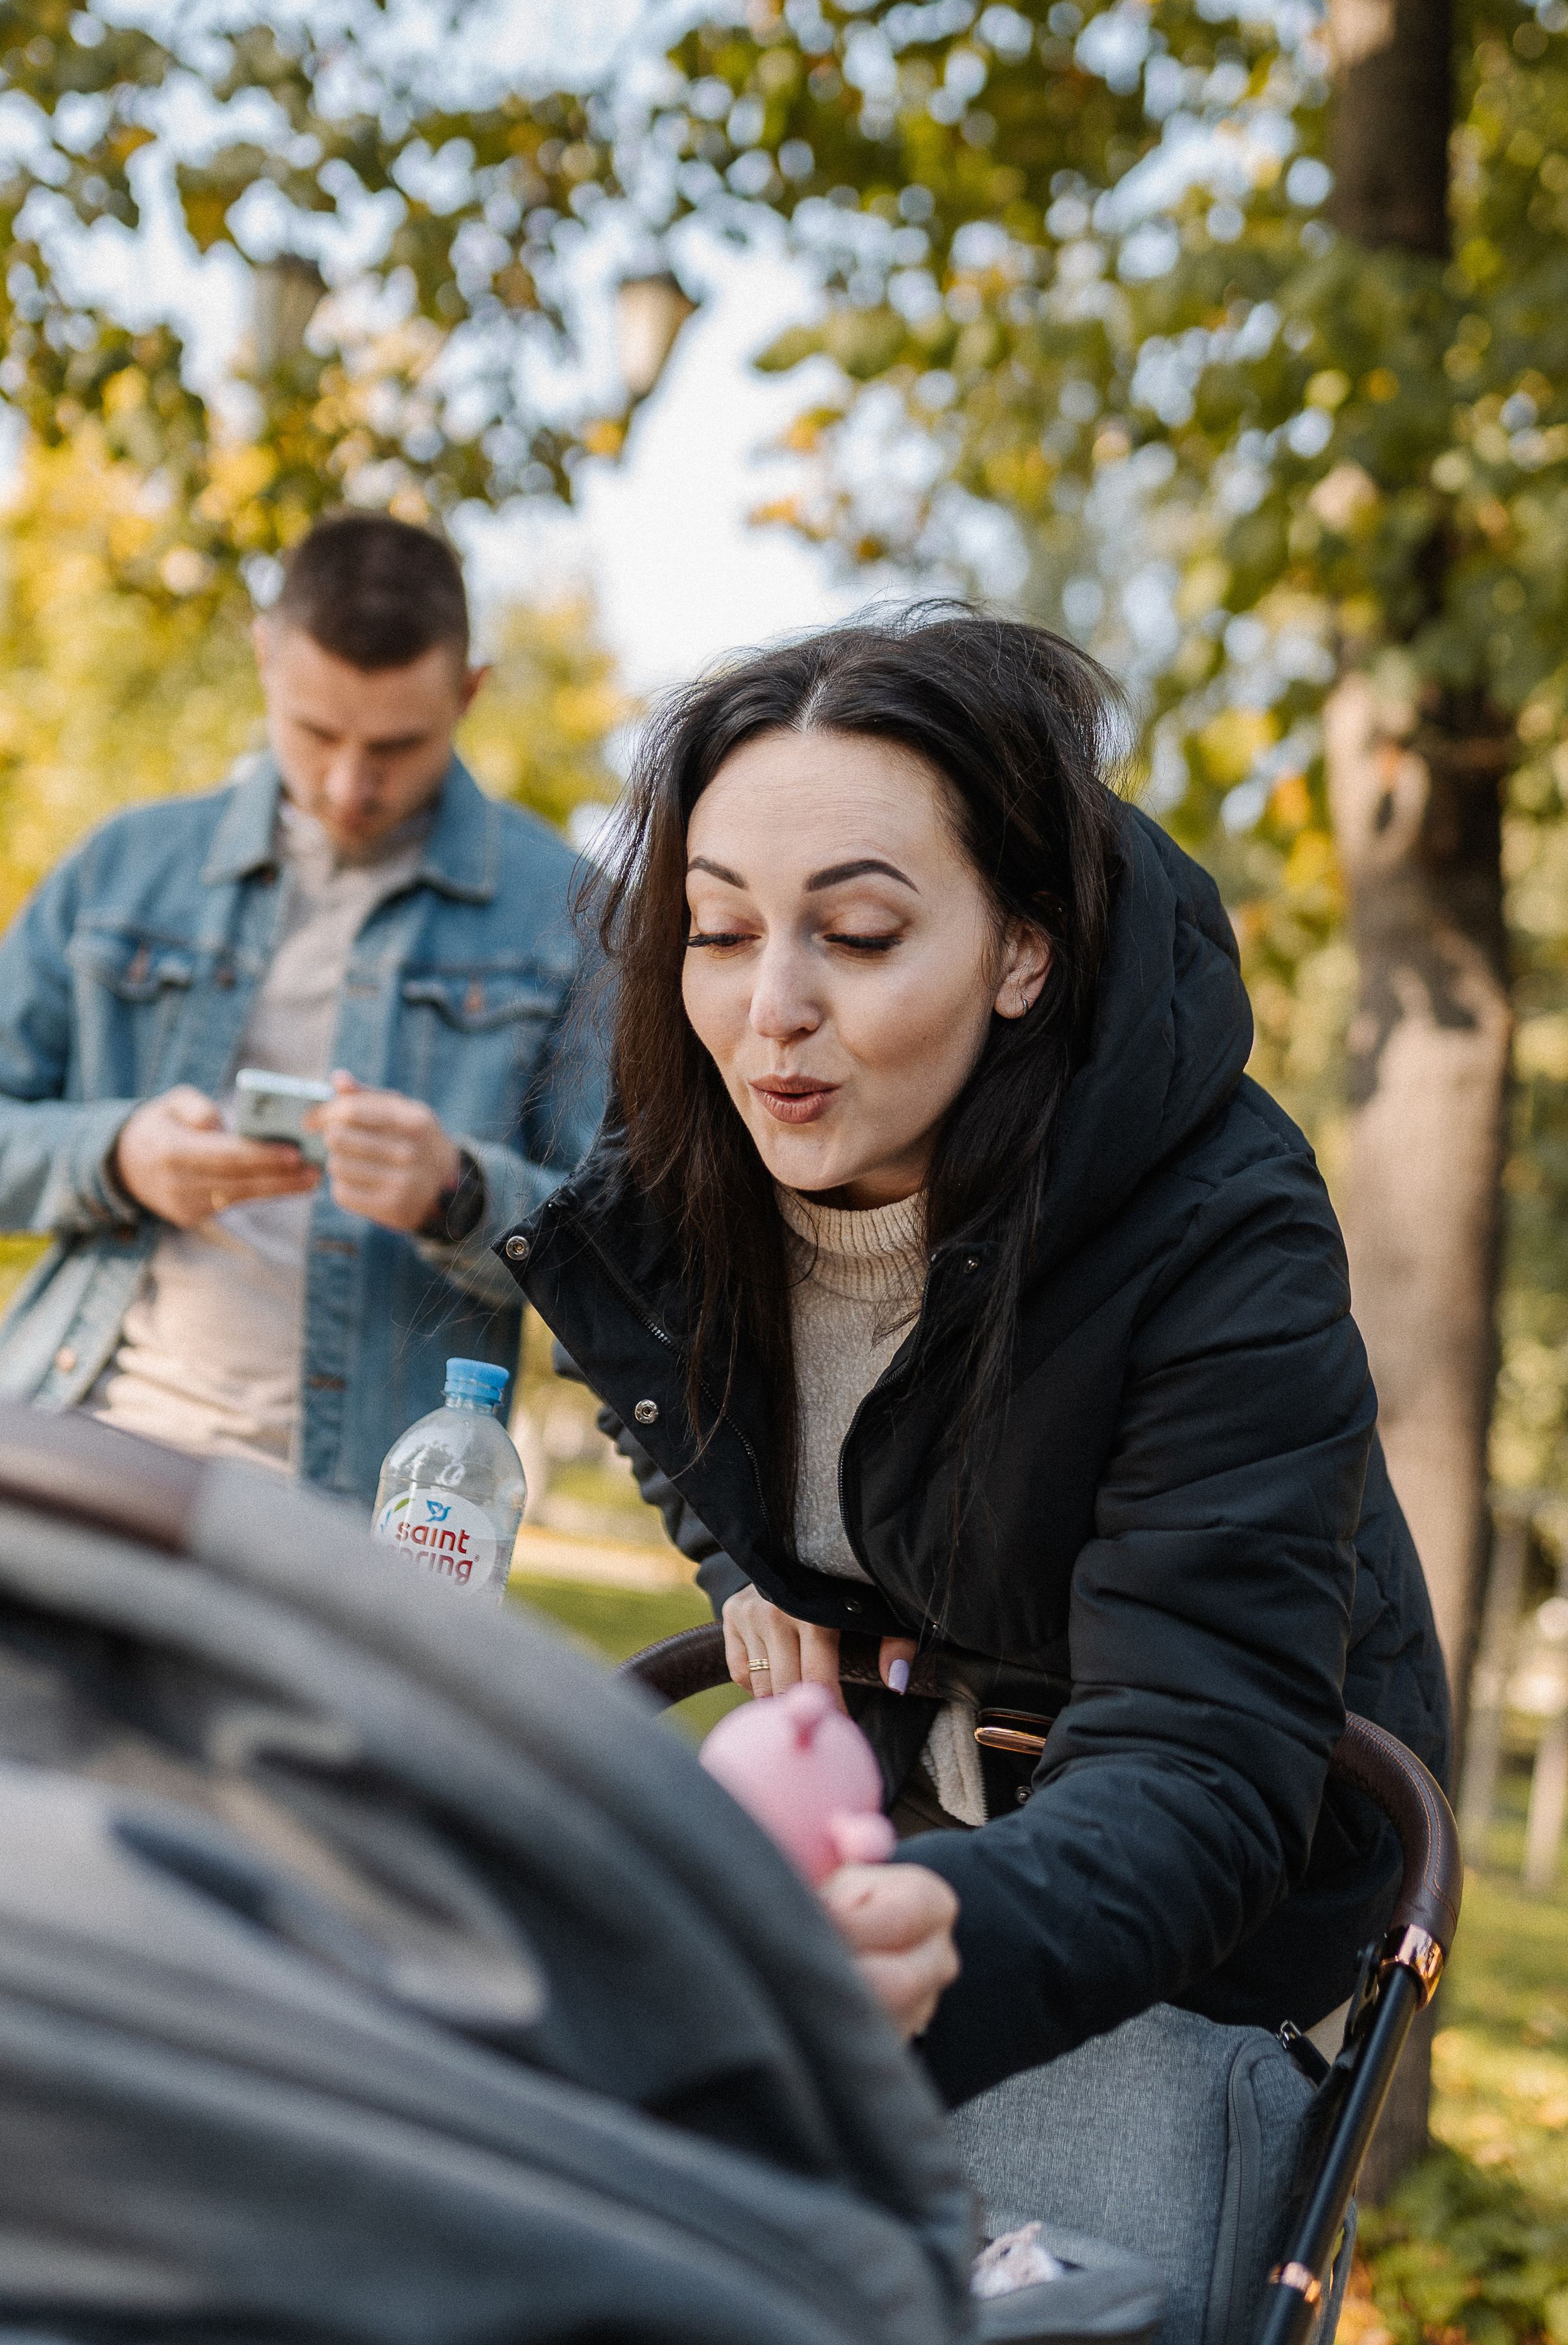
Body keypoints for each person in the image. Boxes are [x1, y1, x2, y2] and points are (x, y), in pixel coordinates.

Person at [500, 605, 1451, 2098]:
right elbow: (651, 1389)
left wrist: (967, 1917)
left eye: (860, 935)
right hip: (893, 1825)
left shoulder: (1221, 1230)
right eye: (721, 930)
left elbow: (1199, 1755)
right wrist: (739, 1566)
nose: (770, 1014)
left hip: (1189, 1925)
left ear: (1021, 951)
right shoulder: (696, 1154)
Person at [0, 512, 601, 1503]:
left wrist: (458, 1193)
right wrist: (119, 1156)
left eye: (397, 746)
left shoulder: (574, 918)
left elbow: (635, 1256)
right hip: (76, 1440)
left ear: (471, 693)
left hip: (356, 1516)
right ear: (265, 657)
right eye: (317, 731)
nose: (348, 783)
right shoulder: (123, 867)